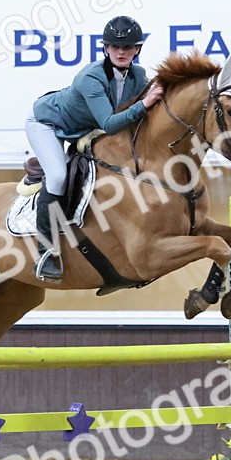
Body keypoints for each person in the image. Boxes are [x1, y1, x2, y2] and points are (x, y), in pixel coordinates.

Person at [24, 15, 164, 282]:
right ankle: (45, 252)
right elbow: (111, 124)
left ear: (137, 50)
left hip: (83, 129)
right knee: (57, 176)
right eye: (115, 47)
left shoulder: (138, 75)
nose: (121, 52)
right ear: (106, 49)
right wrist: (145, 103)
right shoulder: (91, 76)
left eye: (128, 47)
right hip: (47, 124)